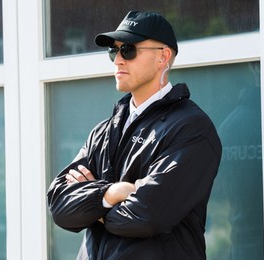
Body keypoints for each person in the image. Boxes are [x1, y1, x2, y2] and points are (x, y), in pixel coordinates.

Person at [46, 11, 222, 259]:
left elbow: (146, 217)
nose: (118, 59)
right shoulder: (103, 131)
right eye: (113, 51)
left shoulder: (191, 128)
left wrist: (90, 203)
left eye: (128, 49)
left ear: (163, 56)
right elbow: (60, 207)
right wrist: (113, 194)